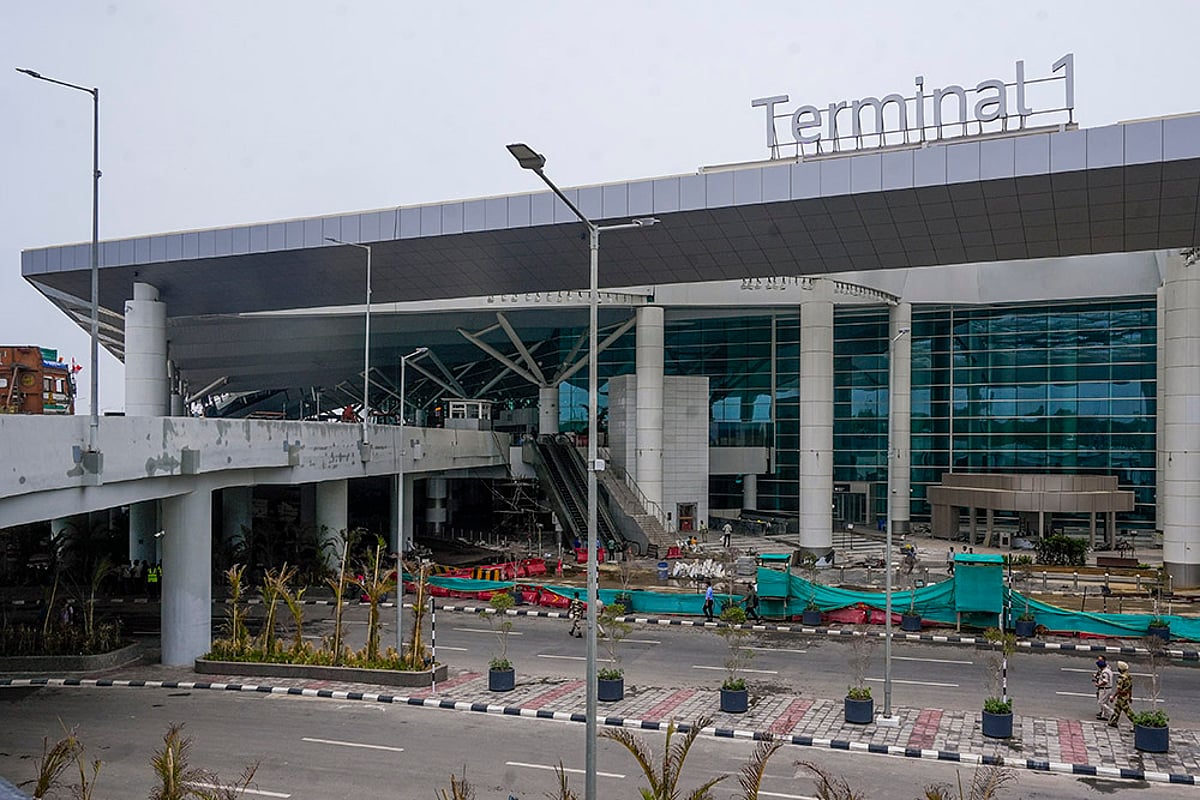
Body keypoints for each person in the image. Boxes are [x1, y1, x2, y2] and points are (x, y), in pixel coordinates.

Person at [1108, 661, 1135, 728]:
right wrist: (1130, 696)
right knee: (1117, 709)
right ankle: (1113, 722)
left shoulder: (1121, 678)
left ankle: (1136, 722)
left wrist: (1113, 697)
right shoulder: (1128, 676)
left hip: (1122, 696)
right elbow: (1130, 687)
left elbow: (1119, 689)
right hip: (1125, 695)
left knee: (1128, 711)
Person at [1092, 656, 1114, 720]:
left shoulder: (1105, 672)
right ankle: (1104, 715)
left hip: (1105, 689)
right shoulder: (1107, 670)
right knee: (1105, 702)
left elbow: (1105, 681)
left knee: (1101, 702)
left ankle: (1112, 712)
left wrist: (1098, 685)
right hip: (1107, 688)